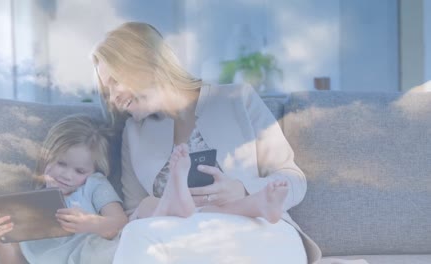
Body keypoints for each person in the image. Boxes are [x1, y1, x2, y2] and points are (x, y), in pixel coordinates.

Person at [92, 22, 322, 264]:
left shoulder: (236, 100)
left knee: (139, 238)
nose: (113, 97)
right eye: (107, 90)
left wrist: (243, 189)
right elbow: (134, 212)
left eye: (115, 81)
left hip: (262, 233)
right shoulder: (134, 133)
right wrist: (160, 204)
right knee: (138, 233)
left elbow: (293, 180)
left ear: (144, 63)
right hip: (186, 242)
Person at [0, 115, 128, 264]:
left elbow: (121, 224)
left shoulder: (94, 185)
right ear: (46, 157)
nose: (67, 175)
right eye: (61, 164)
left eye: (80, 171)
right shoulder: (26, 207)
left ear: (93, 171)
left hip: (92, 255)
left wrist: (91, 223)